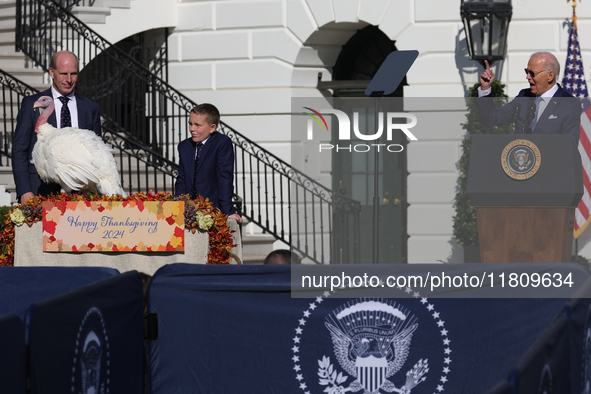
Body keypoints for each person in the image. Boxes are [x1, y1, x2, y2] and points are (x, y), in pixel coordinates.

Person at [12, 50, 102, 204]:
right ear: (52, 73)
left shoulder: (90, 108)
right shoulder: (32, 105)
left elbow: (97, 153)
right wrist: (24, 190)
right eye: (63, 74)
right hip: (39, 191)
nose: (69, 79)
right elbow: (20, 150)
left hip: (79, 194)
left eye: (73, 74)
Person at [476, 52, 581, 144]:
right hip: (521, 164)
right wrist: (485, 88)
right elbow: (490, 119)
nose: (527, 77)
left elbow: (568, 146)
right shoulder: (524, 97)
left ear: (550, 76)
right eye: (527, 72)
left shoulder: (569, 104)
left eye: (532, 73)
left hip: (550, 165)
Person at [175, 103, 242, 223]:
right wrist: (179, 207)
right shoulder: (184, 146)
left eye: (197, 125)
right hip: (188, 211)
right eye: (190, 124)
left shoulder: (221, 143)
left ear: (212, 128)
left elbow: (224, 178)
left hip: (212, 210)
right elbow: (181, 179)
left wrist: (228, 211)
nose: (192, 129)